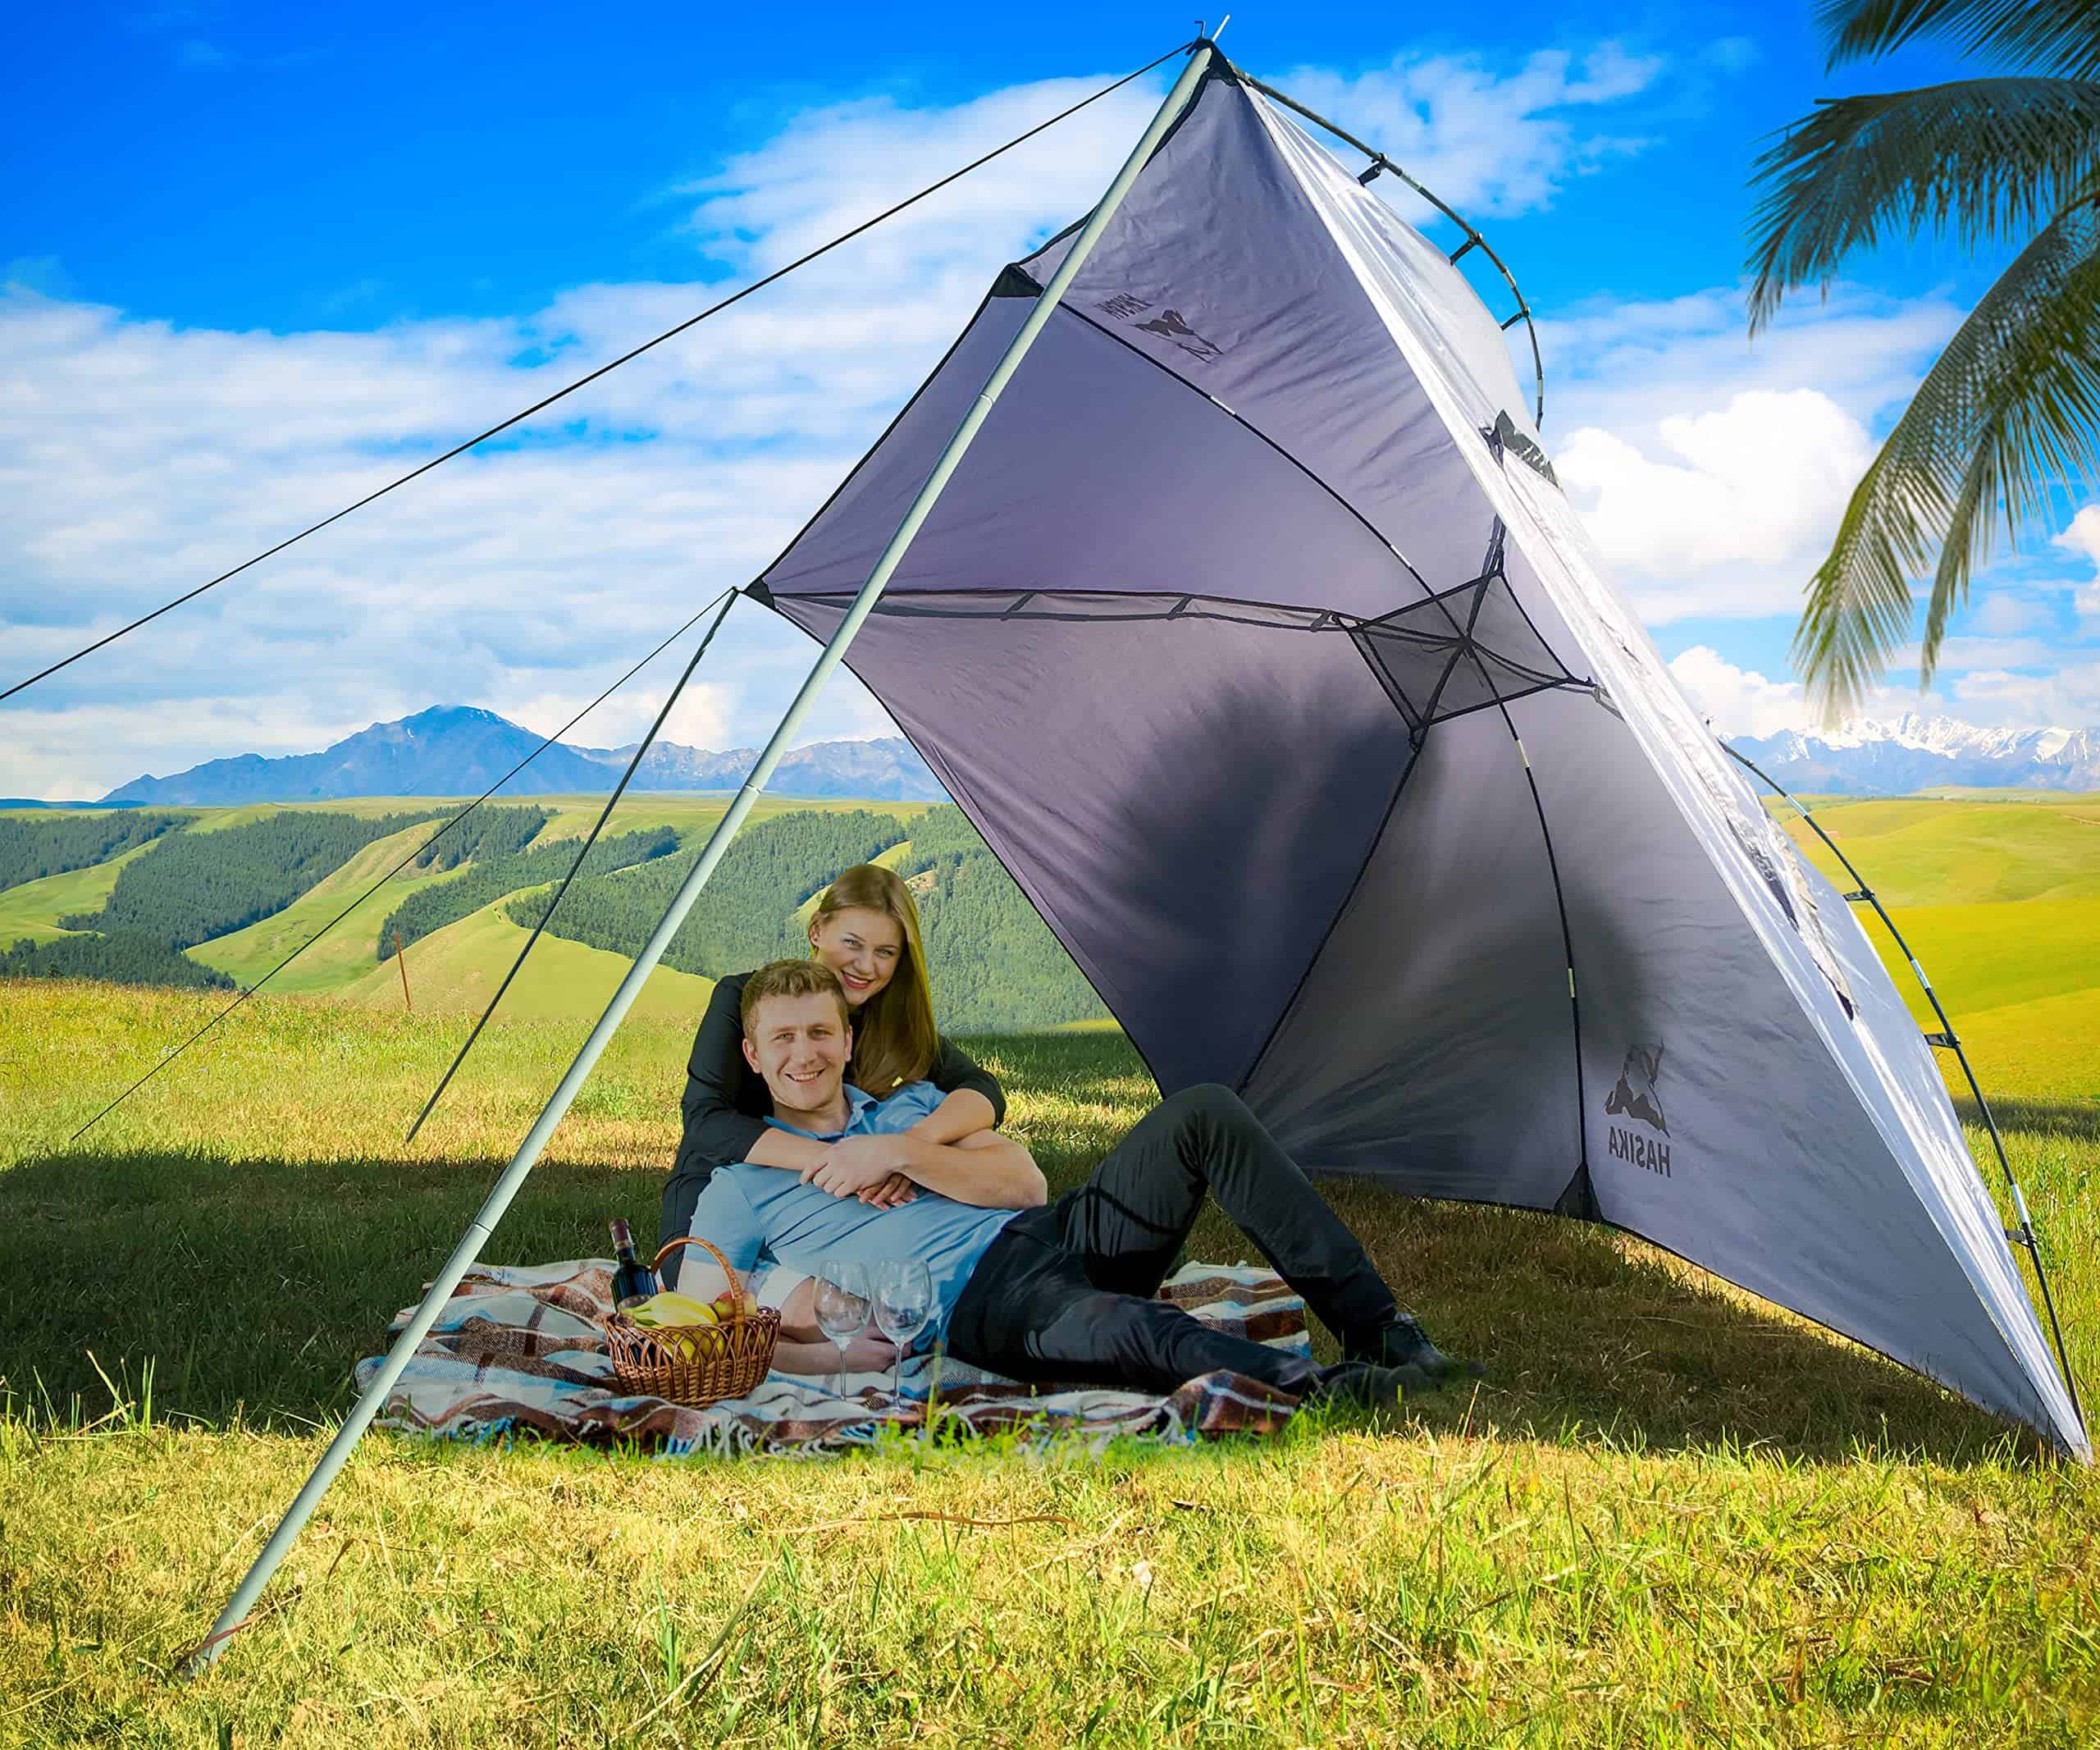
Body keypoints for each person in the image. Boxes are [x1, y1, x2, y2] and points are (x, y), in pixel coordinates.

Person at [680, 959, 1476, 1407]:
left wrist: (898, 1154)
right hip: (987, 1303)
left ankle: (1380, 1328)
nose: (805, 1053)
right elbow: (692, 1324)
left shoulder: (911, 1109)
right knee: (1138, 1330)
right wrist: (839, 1357)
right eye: (783, 1038)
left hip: (1055, 1229)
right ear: (752, 1055)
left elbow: (1023, 1180)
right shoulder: (740, 1186)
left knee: (1203, 1111)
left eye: (821, 1031)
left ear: (849, 1040)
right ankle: (1338, 1393)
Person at [659, 862, 1007, 1255]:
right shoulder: (744, 998)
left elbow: (981, 1089)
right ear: (816, 931)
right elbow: (705, 1119)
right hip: (720, 1200)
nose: (866, 966)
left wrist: (906, 1148)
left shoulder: (892, 1023)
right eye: (853, 944)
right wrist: (842, 1162)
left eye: (885, 952)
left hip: (832, 1206)